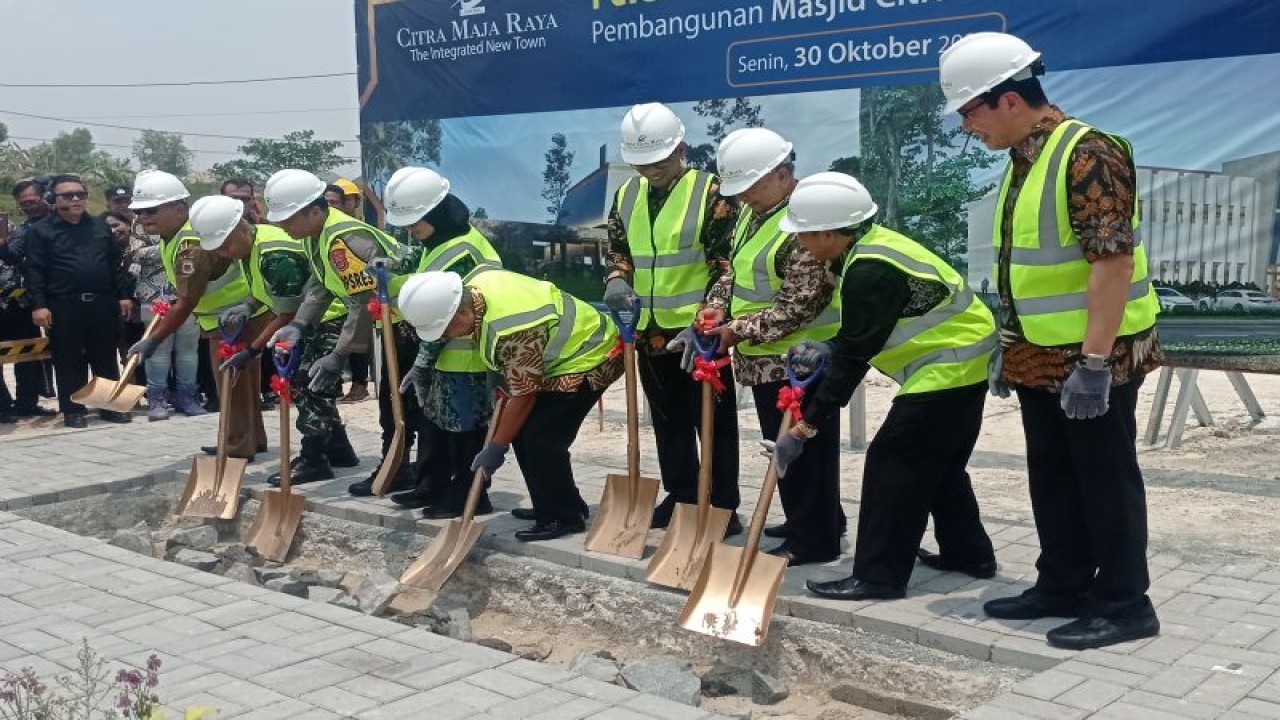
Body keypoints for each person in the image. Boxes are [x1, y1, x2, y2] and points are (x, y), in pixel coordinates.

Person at [937, 32, 1163, 650]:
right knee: (1054, 476)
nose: (967, 126)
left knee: (1104, 478)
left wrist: (1093, 362)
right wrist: (1011, 347)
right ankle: (1062, 583)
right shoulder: (1025, 159)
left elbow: (1110, 263)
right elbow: (1031, 266)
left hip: (1096, 356)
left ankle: (1123, 603)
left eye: (969, 112)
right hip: (1039, 351)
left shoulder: (1087, 154)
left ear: (1008, 100)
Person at [760, 172, 997, 600]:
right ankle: (969, 553)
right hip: (965, 358)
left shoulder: (869, 268)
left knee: (893, 464)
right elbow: (864, 334)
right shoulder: (873, 245)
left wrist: (805, 428)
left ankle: (878, 577)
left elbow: (853, 361)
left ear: (830, 232)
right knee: (938, 465)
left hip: (949, 365)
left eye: (805, 236)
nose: (801, 246)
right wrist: (829, 346)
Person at [699, 128, 843, 565]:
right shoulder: (755, 214)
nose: (742, 198)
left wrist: (735, 331)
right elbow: (735, 272)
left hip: (800, 360)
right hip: (765, 360)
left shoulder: (805, 221)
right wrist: (716, 307)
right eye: (738, 191)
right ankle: (814, 519)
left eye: (751, 188)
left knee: (804, 453)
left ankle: (815, 540)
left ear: (783, 174)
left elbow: (798, 305)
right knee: (786, 451)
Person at [602, 102, 741, 535]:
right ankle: (681, 494)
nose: (649, 170)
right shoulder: (626, 195)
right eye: (640, 163)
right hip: (650, 334)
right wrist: (616, 278)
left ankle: (722, 504)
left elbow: (725, 265)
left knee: (713, 422)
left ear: (680, 148)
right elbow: (620, 252)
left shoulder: (713, 193)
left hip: (701, 335)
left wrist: (706, 318)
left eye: (658, 161)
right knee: (667, 418)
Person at [398, 269, 621, 540]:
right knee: (525, 434)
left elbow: (524, 395)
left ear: (461, 313)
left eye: (445, 330)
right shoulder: (472, 290)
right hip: (556, 358)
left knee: (541, 438)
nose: (448, 337)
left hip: (590, 355)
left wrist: (495, 448)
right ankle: (550, 504)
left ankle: (564, 517)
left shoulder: (511, 328)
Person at [263, 168, 418, 496]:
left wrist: (339, 354)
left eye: (289, 218)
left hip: (407, 321)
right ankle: (383, 462)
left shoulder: (342, 238)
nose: (283, 226)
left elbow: (363, 298)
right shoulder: (315, 235)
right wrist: (298, 325)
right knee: (389, 401)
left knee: (399, 402)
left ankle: (401, 468)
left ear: (315, 210)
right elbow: (321, 284)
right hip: (389, 318)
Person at [190, 194, 360, 483]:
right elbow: (265, 291)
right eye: (218, 249)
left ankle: (314, 459)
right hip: (307, 318)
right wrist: (248, 305)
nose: (225, 253)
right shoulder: (251, 245)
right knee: (318, 387)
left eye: (226, 244)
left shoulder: (274, 255)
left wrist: (252, 351)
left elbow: (286, 313)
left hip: (325, 317)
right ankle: (339, 449)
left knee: (309, 386)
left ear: (242, 228)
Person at [383, 166, 503, 517]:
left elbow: (441, 306)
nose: (410, 231)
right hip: (443, 351)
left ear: (435, 212)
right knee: (436, 423)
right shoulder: (439, 241)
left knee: (464, 430)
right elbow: (417, 269)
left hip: (465, 356)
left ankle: (470, 495)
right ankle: (433, 484)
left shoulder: (459, 251)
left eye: (415, 223)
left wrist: (422, 359)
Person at [126, 170, 265, 455]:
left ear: (179, 208)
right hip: (235, 314)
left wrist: (154, 339)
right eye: (139, 212)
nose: (143, 217)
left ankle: (236, 447)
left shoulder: (192, 244)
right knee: (244, 381)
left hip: (232, 318)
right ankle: (253, 439)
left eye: (151, 210)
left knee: (231, 383)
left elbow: (187, 301)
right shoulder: (176, 235)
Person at [24, 175, 135, 428]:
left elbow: (114, 264)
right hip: (63, 305)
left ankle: (109, 407)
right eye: (68, 195)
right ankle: (73, 410)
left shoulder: (99, 226)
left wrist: (124, 295)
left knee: (105, 355)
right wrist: (38, 305)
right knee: (67, 358)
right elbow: (35, 271)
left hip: (102, 303)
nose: (75, 199)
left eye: (80, 194)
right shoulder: (41, 231)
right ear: (53, 199)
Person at [0, 180, 57, 421]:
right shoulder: (23, 229)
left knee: (30, 355)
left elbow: (13, 257)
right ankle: (3, 407)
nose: (29, 206)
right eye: (24, 204)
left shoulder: (20, 229)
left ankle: (27, 404)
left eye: (32, 201)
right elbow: (13, 255)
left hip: (23, 302)